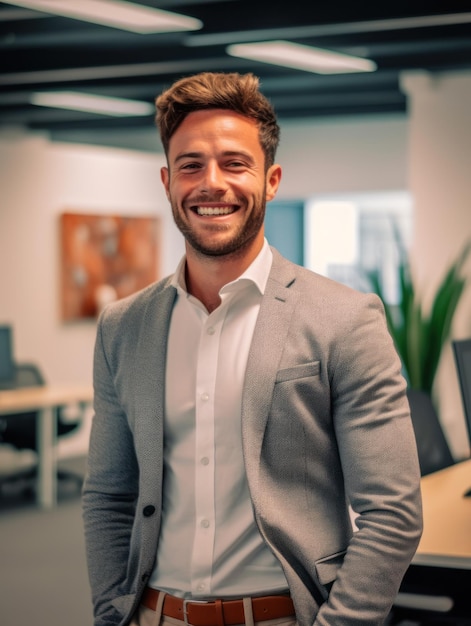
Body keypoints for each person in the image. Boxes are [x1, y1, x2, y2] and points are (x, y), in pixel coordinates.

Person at [82, 71, 423, 626]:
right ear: (167, 181)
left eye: (234, 163)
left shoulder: (345, 318)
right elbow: (107, 496)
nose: (211, 183)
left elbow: (393, 512)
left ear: (271, 180)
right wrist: (110, 614)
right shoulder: (124, 326)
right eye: (190, 165)